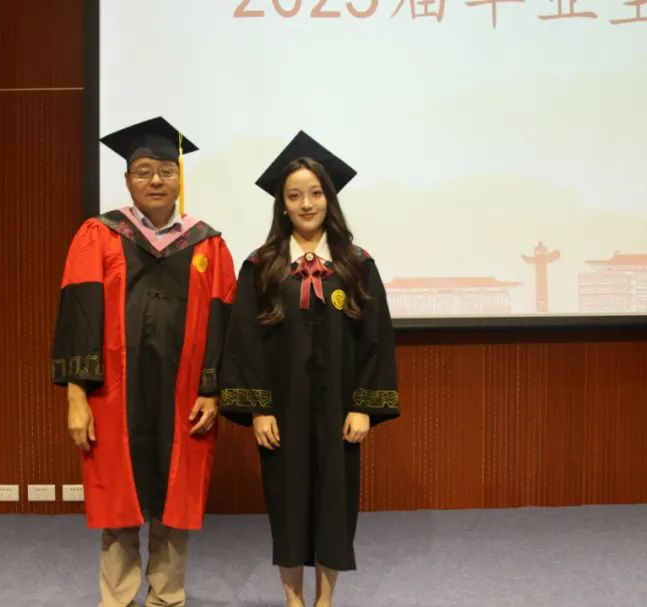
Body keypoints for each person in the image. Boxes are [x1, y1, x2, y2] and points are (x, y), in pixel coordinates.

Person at [52, 116, 236, 607]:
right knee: (118, 500)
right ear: (128, 179)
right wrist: (76, 399)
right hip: (113, 396)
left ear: (180, 178)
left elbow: (223, 322)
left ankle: (167, 598)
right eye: (144, 171)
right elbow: (78, 318)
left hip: (185, 397)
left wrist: (213, 390)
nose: (156, 180)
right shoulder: (98, 235)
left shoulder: (208, 244)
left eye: (166, 171)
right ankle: (117, 599)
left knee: (175, 503)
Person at [219, 131, 400, 607]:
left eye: (316, 193)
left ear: (329, 198)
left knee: (335, 504)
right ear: (282, 204)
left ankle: (325, 600)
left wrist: (363, 406)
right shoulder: (261, 267)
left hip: (339, 410)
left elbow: (375, 339)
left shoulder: (356, 265)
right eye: (295, 195)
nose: (306, 204)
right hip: (282, 410)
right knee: (287, 502)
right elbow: (244, 342)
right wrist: (258, 409)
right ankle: (293, 600)